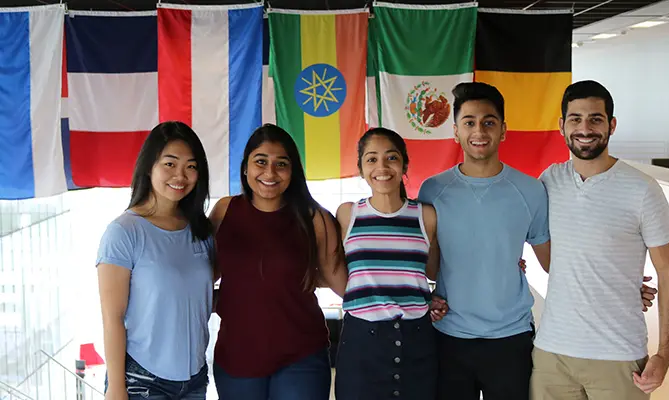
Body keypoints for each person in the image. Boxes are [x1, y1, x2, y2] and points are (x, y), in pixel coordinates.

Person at [418, 82, 657, 400]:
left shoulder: (530, 190)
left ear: (503, 130)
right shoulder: (433, 190)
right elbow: (430, 267)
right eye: (470, 122)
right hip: (449, 336)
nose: (480, 131)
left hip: (511, 339)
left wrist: (621, 285)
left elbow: (554, 264)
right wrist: (426, 296)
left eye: (489, 122)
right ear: (456, 131)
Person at [530, 80, 669, 400]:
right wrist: (618, 281)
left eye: (595, 119)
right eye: (575, 119)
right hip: (551, 355)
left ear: (611, 125)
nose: (585, 128)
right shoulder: (549, 181)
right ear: (561, 126)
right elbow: (553, 263)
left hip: (618, 357)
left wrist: (664, 355)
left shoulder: (642, 189)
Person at [207, 124, 345, 400]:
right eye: (260, 162)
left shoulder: (315, 218)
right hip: (236, 357)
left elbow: (345, 285)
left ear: (293, 171)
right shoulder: (224, 210)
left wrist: (412, 298)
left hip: (301, 357)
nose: (270, 173)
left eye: (281, 164)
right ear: (245, 168)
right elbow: (201, 276)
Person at [96, 121, 215, 400]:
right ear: (149, 166)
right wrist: (116, 389)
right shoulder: (124, 232)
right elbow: (112, 318)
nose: (181, 175)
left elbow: (198, 298)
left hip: (195, 379)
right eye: (170, 164)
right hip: (142, 381)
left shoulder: (201, 231)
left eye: (191, 166)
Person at [333, 128, 447, 400]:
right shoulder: (348, 214)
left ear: (405, 164)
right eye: (371, 159)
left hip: (417, 341)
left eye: (391, 158)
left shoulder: (425, 215)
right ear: (360, 168)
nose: (382, 167)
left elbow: (432, 271)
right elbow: (336, 270)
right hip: (362, 343)